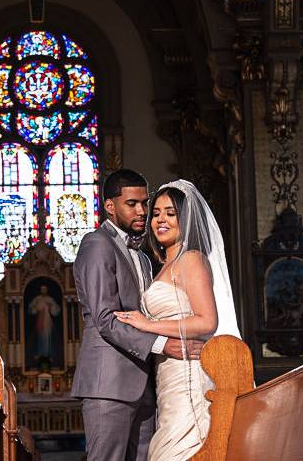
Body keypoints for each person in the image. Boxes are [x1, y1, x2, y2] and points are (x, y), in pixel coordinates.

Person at [71, 170, 204, 461]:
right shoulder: (96, 244)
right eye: (132, 204)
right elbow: (105, 318)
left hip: (147, 385)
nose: (142, 211)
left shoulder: (144, 257)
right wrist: (163, 345)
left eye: (145, 203)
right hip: (109, 385)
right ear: (110, 206)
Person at [114, 179, 241, 460]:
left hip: (189, 373)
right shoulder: (161, 266)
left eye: (170, 214)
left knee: (183, 449)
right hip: (167, 374)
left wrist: (147, 325)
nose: (160, 220)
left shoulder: (191, 259)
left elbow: (207, 321)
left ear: (185, 218)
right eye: (156, 213)